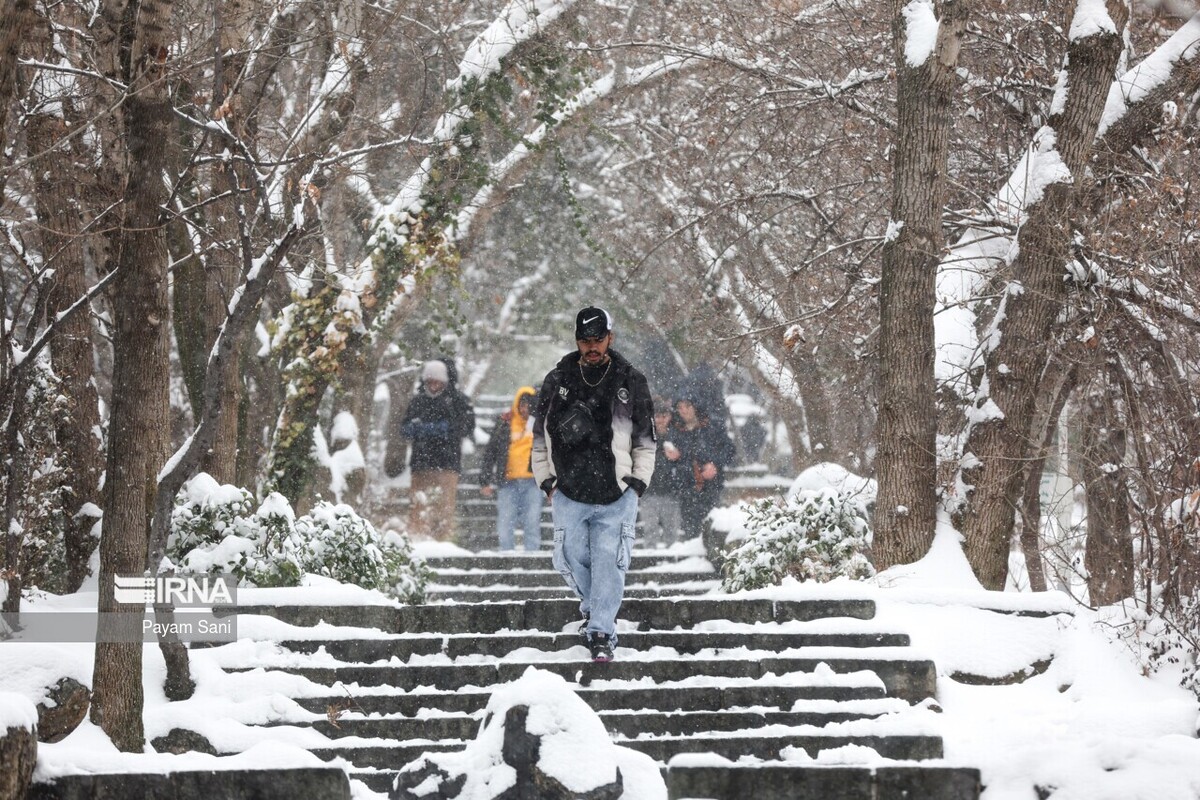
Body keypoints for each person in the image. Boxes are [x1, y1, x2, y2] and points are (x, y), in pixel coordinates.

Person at [531, 306, 655, 663]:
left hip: (617, 490)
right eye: (585, 341)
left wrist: (637, 484)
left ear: (610, 338)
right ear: (577, 341)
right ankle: (594, 605)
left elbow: (646, 438)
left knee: (609, 561)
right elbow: (538, 437)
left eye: (598, 340)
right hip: (568, 489)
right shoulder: (558, 379)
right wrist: (547, 481)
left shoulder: (631, 379)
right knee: (567, 557)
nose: (592, 347)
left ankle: (601, 631)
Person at [390, 359, 475, 541]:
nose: (433, 386)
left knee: (444, 507)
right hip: (420, 463)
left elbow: (466, 427)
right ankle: (416, 539)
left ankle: (442, 541)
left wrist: (442, 429)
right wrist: (421, 429)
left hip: (447, 464)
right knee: (418, 505)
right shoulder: (418, 402)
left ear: (445, 381)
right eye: (429, 382)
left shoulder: (458, 401)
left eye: (437, 382)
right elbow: (404, 428)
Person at [479, 386, 544, 551]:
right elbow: (490, 452)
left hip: (533, 483)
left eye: (529, 405)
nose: (525, 409)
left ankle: (532, 558)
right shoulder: (505, 422)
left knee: (532, 522)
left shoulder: (541, 424)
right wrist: (485, 480)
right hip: (508, 482)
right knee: (505, 522)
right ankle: (506, 555)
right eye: (522, 404)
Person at [668, 393, 735, 548]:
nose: (683, 411)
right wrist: (676, 457)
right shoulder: (676, 430)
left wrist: (715, 465)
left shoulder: (712, 426)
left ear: (695, 407)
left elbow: (730, 450)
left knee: (711, 526)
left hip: (711, 486)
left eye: (687, 406)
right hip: (686, 486)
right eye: (680, 408)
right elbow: (674, 459)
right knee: (690, 530)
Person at [640, 397, 685, 547]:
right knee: (650, 531)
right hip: (649, 491)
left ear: (670, 417)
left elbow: (686, 462)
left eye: (664, 416)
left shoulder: (676, 436)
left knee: (671, 533)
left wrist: (678, 457)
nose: (660, 420)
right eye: (657, 416)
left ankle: (672, 565)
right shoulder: (643, 436)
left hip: (671, 491)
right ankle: (650, 564)